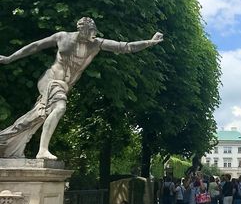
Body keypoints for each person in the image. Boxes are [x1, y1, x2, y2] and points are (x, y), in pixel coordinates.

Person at [0, 17, 163, 159]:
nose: (94, 35)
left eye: (94, 31)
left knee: (38, 116)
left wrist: (150, 42)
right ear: (82, 29)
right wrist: (10, 58)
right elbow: (35, 46)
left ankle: (7, 142)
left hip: (64, 85)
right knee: (59, 107)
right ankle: (42, 150)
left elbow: (125, 46)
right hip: (51, 79)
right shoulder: (63, 36)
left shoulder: (96, 44)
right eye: (91, 31)